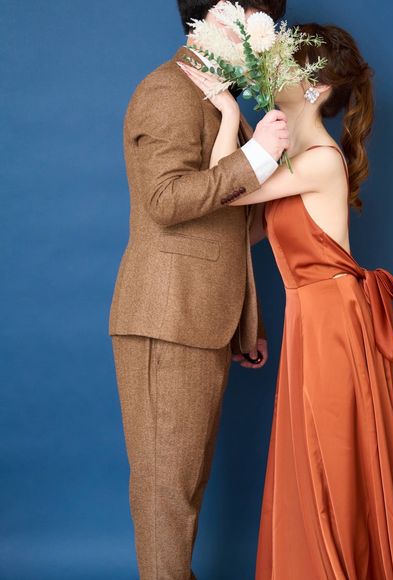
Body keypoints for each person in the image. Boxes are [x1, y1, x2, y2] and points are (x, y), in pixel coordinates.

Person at [180, 22, 393, 579]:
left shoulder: (320, 159)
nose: (271, 73)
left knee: (331, 463)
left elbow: (226, 189)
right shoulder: (289, 156)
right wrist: (239, 129)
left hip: (332, 321)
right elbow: (234, 209)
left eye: (286, 64)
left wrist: (227, 112)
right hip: (312, 318)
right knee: (314, 460)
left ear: (315, 88)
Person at [108, 1, 288, 578]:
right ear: (211, 18)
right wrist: (256, 157)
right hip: (166, 317)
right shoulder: (168, 90)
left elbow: (226, 227)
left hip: (200, 319)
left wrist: (246, 320)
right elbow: (165, 201)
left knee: (184, 488)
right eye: (255, 26)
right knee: (168, 492)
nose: (261, 44)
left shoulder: (218, 99)